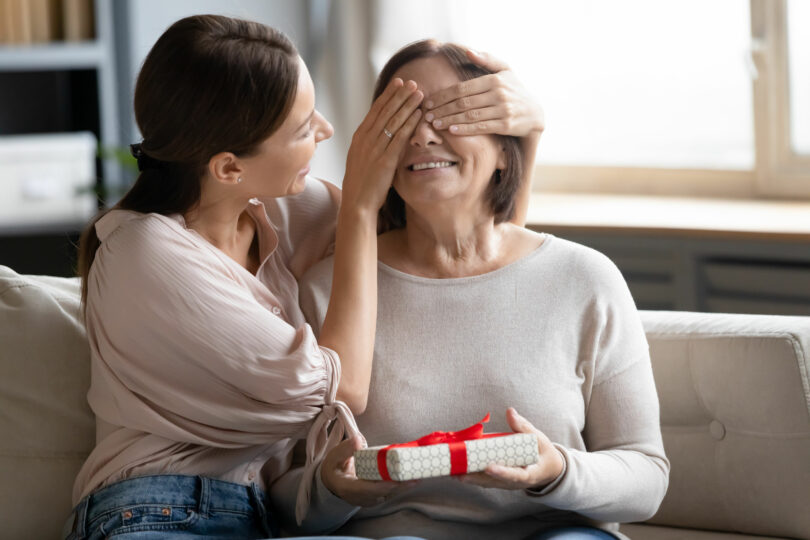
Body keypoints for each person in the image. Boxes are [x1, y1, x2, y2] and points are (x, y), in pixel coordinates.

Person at [273, 40, 670, 539]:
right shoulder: (327, 289)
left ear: (506, 151)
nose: (421, 135)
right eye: (401, 118)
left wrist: (559, 470)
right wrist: (331, 489)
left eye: (449, 114)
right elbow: (279, 494)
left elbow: (647, 478)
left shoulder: (585, 279)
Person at [64, 14, 430, 539]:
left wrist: (522, 140)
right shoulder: (143, 253)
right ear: (229, 168)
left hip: (258, 517)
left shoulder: (277, 209)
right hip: (151, 512)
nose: (326, 131)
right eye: (304, 129)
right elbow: (342, 388)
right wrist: (359, 208)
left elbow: (445, 234)